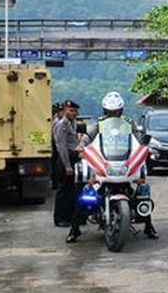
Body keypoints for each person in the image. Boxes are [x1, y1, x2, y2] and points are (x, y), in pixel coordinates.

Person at [67, 91, 159, 243]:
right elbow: (87, 138)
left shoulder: (129, 124)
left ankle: (149, 226)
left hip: (125, 162)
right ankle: (74, 229)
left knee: (142, 190)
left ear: (121, 110)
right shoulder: (98, 125)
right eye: (110, 111)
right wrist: (81, 147)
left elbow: (137, 140)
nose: (113, 114)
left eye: (115, 111)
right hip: (105, 163)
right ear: (105, 111)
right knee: (85, 195)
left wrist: (143, 147)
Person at [53, 100, 80, 227]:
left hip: (73, 158)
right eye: (71, 110)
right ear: (64, 111)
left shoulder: (71, 124)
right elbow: (61, 146)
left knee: (71, 190)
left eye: (75, 111)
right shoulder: (61, 125)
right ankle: (60, 218)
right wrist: (67, 166)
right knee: (63, 190)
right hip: (65, 159)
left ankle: (69, 216)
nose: (74, 113)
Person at [50, 102, 63, 189]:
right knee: (56, 165)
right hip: (57, 145)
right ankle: (56, 183)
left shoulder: (56, 121)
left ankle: (57, 182)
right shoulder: (56, 121)